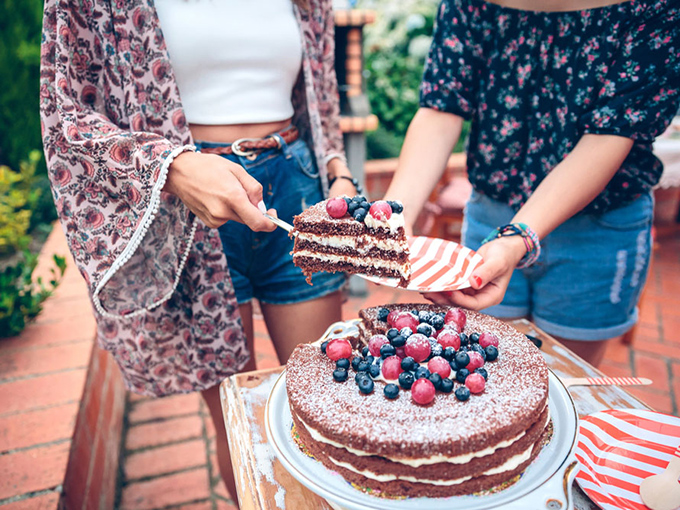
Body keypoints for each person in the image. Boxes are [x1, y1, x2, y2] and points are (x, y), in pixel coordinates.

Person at [40, 0, 357, 504]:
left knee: (333, 403)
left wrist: (337, 168)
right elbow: (66, 116)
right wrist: (173, 167)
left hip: (296, 190)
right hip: (186, 208)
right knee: (242, 430)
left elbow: (318, 92)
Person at [385, 0, 680, 367]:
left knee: (567, 382)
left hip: (597, 228)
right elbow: (442, 106)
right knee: (491, 376)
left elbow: (613, 133)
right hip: (490, 219)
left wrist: (518, 237)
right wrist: (392, 216)